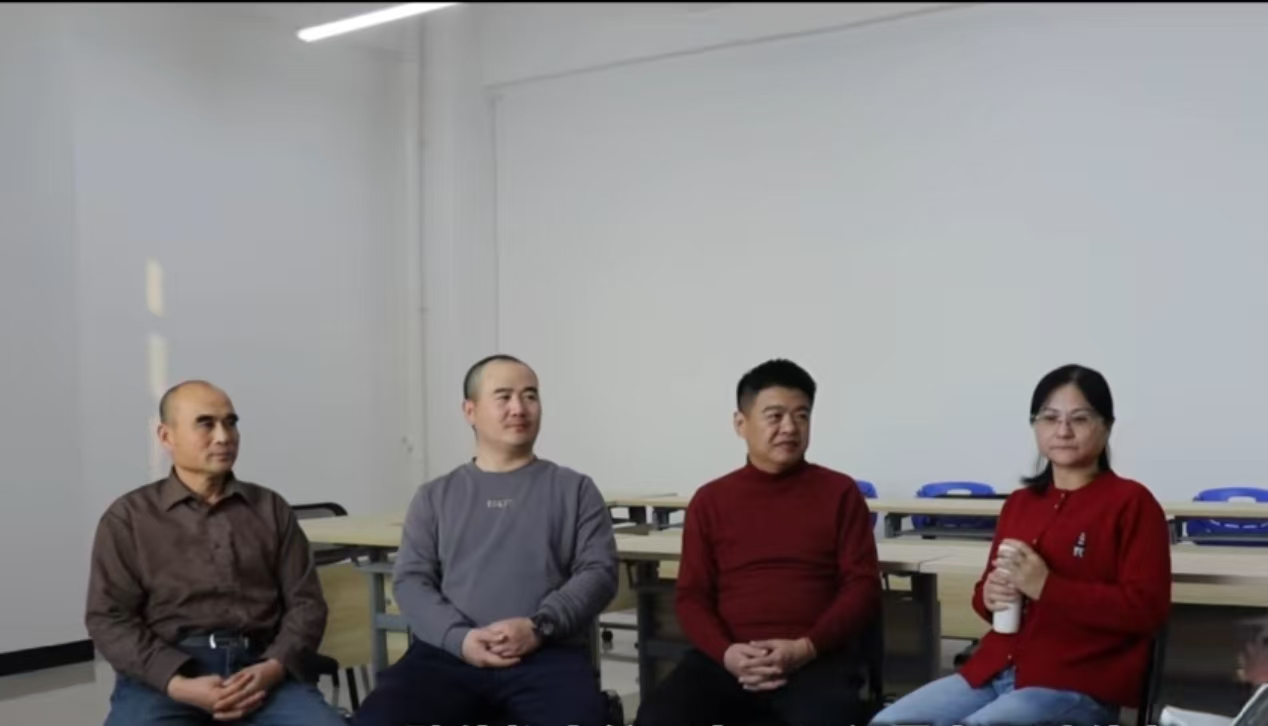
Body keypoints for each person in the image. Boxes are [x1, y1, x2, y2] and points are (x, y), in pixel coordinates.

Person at [871, 363, 1173, 726]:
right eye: (1049, 418)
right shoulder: (1021, 503)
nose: (1063, 430)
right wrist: (988, 596)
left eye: (1079, 419)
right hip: (994, 670)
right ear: (1035, 425)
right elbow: (985, 596)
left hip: (1076, 683)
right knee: (887, 722)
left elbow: (1146, 610)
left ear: (1106, 426)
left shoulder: (1132, 503)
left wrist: (1047, 587)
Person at [354, 354, 619, 726]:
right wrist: (459, 638)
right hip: (447, 655)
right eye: (504, 396)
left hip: (546, 653)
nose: (519, 408)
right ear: (470, 410)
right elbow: (411, 581)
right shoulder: (435, 496)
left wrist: (538, 627)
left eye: (530, 395)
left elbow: (599, 573)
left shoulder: (575, 489)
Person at [634, 359, 881, 726]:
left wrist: (805, 647)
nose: (790, 427)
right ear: (741, 423)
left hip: (814, 658)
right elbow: (692, 596)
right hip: (727, 660)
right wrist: (727, 653)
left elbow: (862, 586)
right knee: (658, 717)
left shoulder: (839, 492)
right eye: (775, 416)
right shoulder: (711, 500)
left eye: (801, 416)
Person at [86, 381, 345, 726]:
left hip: (261, 668)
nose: (224, 437)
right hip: (166, 677)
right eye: (205, 424)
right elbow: (108, 618)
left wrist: (274, 667)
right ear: (166, 437)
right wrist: (176, 683)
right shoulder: (129, 518)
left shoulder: (270, 509)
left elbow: (307, 603)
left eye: (231, 423)